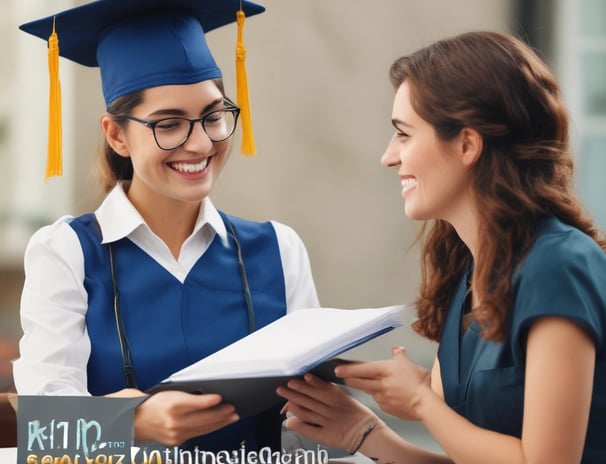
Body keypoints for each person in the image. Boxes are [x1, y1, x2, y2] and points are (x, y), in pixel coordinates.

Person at [277, 31, 606, 463]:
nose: (389, 157)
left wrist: (421, 403)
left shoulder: (559, 265)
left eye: (404, 134)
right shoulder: (468, 274)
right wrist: (364, 431)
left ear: (467, 144)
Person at [13, 0, 319, 453]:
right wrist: (132, 424)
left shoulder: (278, 249)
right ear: (117, 135)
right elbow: (42, 430)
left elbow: (307, 426)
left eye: (213, 117)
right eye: (169, 125)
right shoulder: (69, 253)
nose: (199, 143)